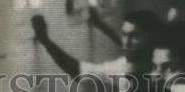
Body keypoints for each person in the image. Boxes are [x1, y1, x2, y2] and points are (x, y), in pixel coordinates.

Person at [30, 9, 162, 81]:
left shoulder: (127, 72)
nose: (126, 43)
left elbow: (78, 71)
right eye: (125, 35)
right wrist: (99, 23)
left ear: (151, 39)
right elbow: (80, 70)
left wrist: (46, 41)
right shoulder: (152, 55)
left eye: (135, 36)